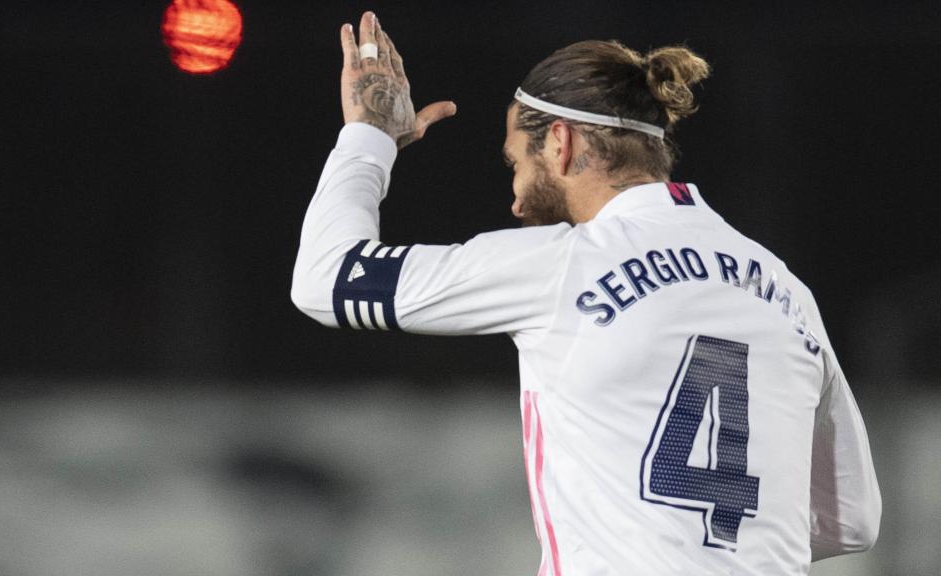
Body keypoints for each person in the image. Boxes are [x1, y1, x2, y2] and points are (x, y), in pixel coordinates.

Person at [291, 11, 881, 575]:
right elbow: (852, 520)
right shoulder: (785, 288)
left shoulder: (560, 264)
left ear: (560, 142)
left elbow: (325, 277)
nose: (515, 199)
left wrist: (369, 139)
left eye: (515, 163)